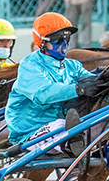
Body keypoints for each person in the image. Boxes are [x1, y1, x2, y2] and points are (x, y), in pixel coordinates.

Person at [5, 12, 98, 151]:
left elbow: (91, 81)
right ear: (42, 41)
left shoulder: (73, 66)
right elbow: (43, 94)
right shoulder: (29, 66)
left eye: (67, 38)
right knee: (61, 125)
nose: (64, 43)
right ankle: (73, 146)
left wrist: (103, 77)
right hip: (31, 131)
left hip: (65, 124)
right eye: (58, 39)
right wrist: (78, 89)